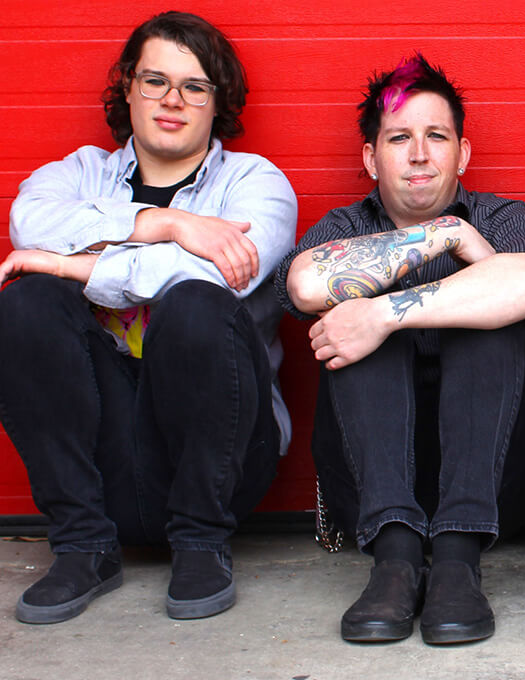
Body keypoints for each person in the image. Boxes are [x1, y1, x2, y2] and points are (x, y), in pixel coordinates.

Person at [0, 11, 297, 623]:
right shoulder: (78, 174)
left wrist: (73, 265)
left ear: (218, 103)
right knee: (25, 302)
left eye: (195, 86)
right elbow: (30, 225)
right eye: (155, 80)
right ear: (128, 89)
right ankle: (82, 545)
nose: (173, 100)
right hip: (101, 464)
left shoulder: (254, 185)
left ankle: (200, 545)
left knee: (194, 304)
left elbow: (216, 278)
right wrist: (164, 224)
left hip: (217, 467)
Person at [276, 53, 525, 645]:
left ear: (462, 153)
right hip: (369, 491)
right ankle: (396, 559)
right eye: (399, 137)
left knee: (481, 317)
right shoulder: (343, 226)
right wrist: (441, 235)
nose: (418, 153)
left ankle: (457, 558)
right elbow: (306, 285)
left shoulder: (501, 218)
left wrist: (384, 313)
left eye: (436, 136)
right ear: (369, 156)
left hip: (494, 486)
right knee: (349, 318)